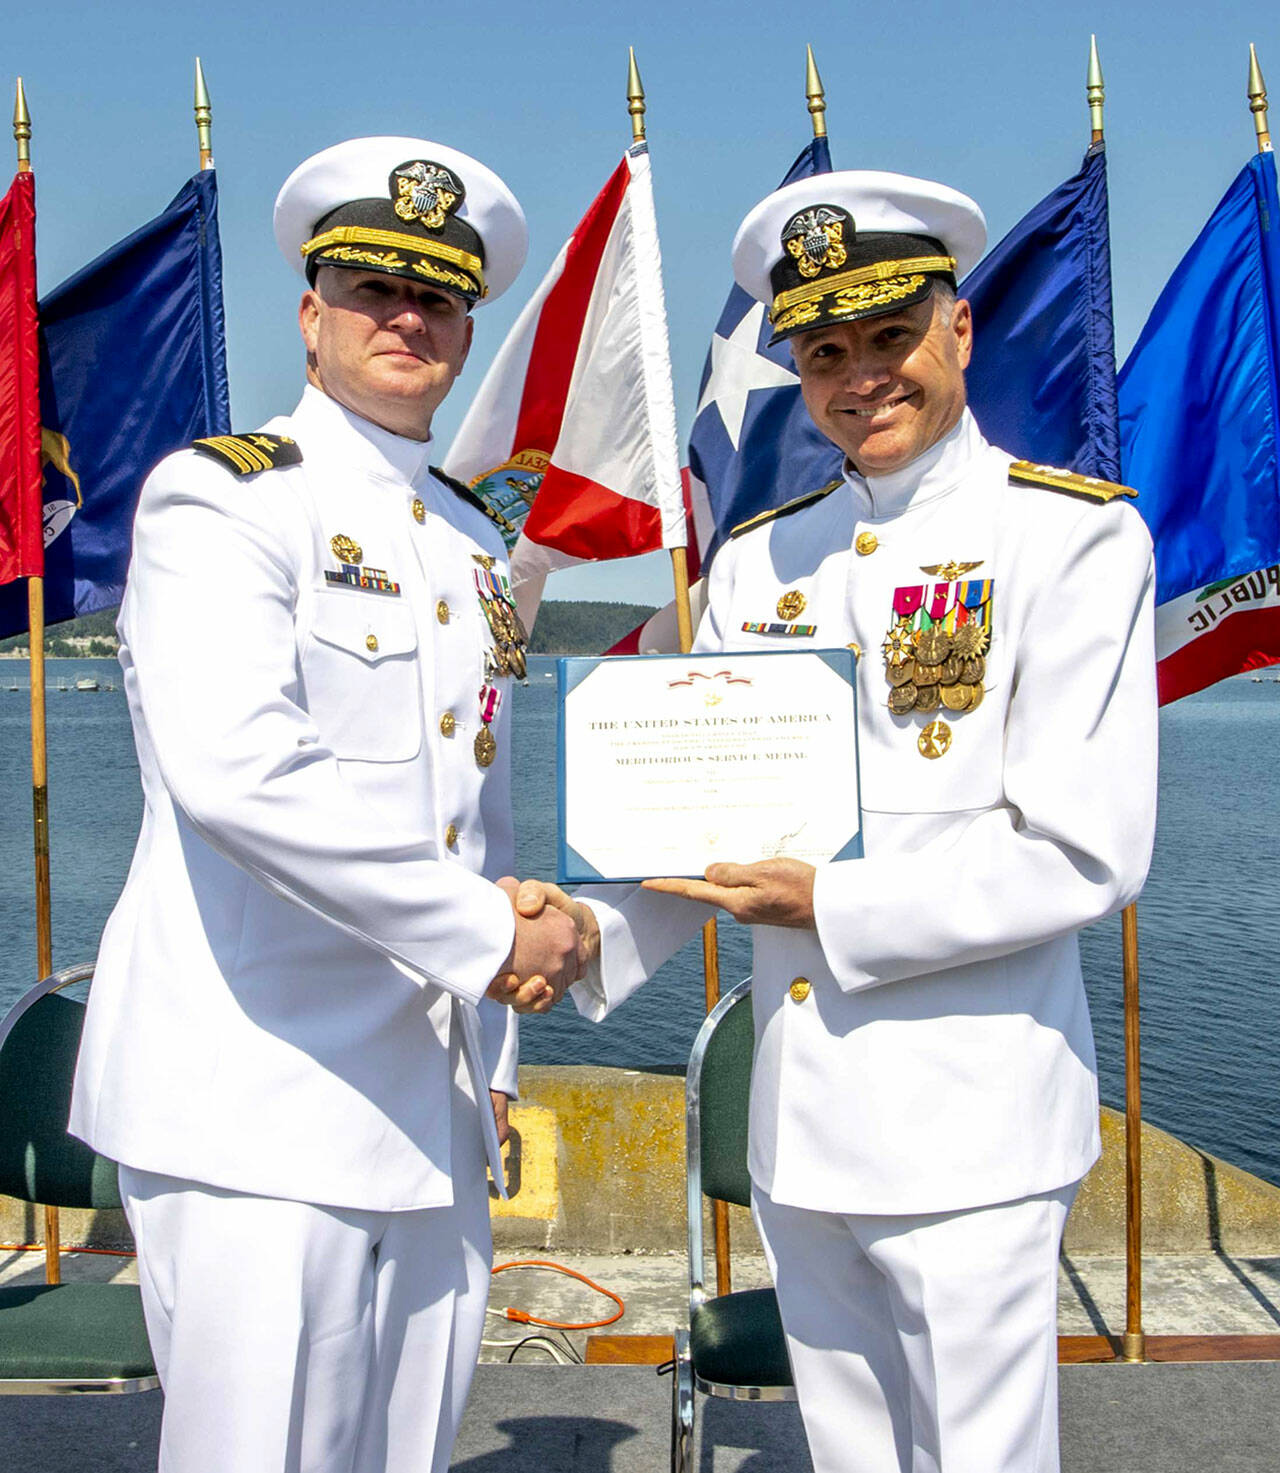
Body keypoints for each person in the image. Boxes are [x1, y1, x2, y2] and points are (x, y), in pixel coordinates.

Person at [518, 171, 1157, 1472]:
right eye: (825, 351)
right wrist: (584, 933)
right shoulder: (758, 562)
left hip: (973, 1126)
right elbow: (707, 821)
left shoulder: (1072, 544)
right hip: (807, 1134)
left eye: (888, 336)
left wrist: (830, 903)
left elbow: (1085, 848)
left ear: (958, 330)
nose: (861, 374)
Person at [69, 136, 581, 1473]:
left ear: (468, 323)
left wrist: (501, 1057)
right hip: (256, 1100)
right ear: (312, 314)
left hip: (432, 1094)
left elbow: (480, 805)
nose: (406, 317)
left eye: (439, 296)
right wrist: (488, 933)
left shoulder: (477, 541)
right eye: (372, 288)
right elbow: (243, 773)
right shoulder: (222, 500)